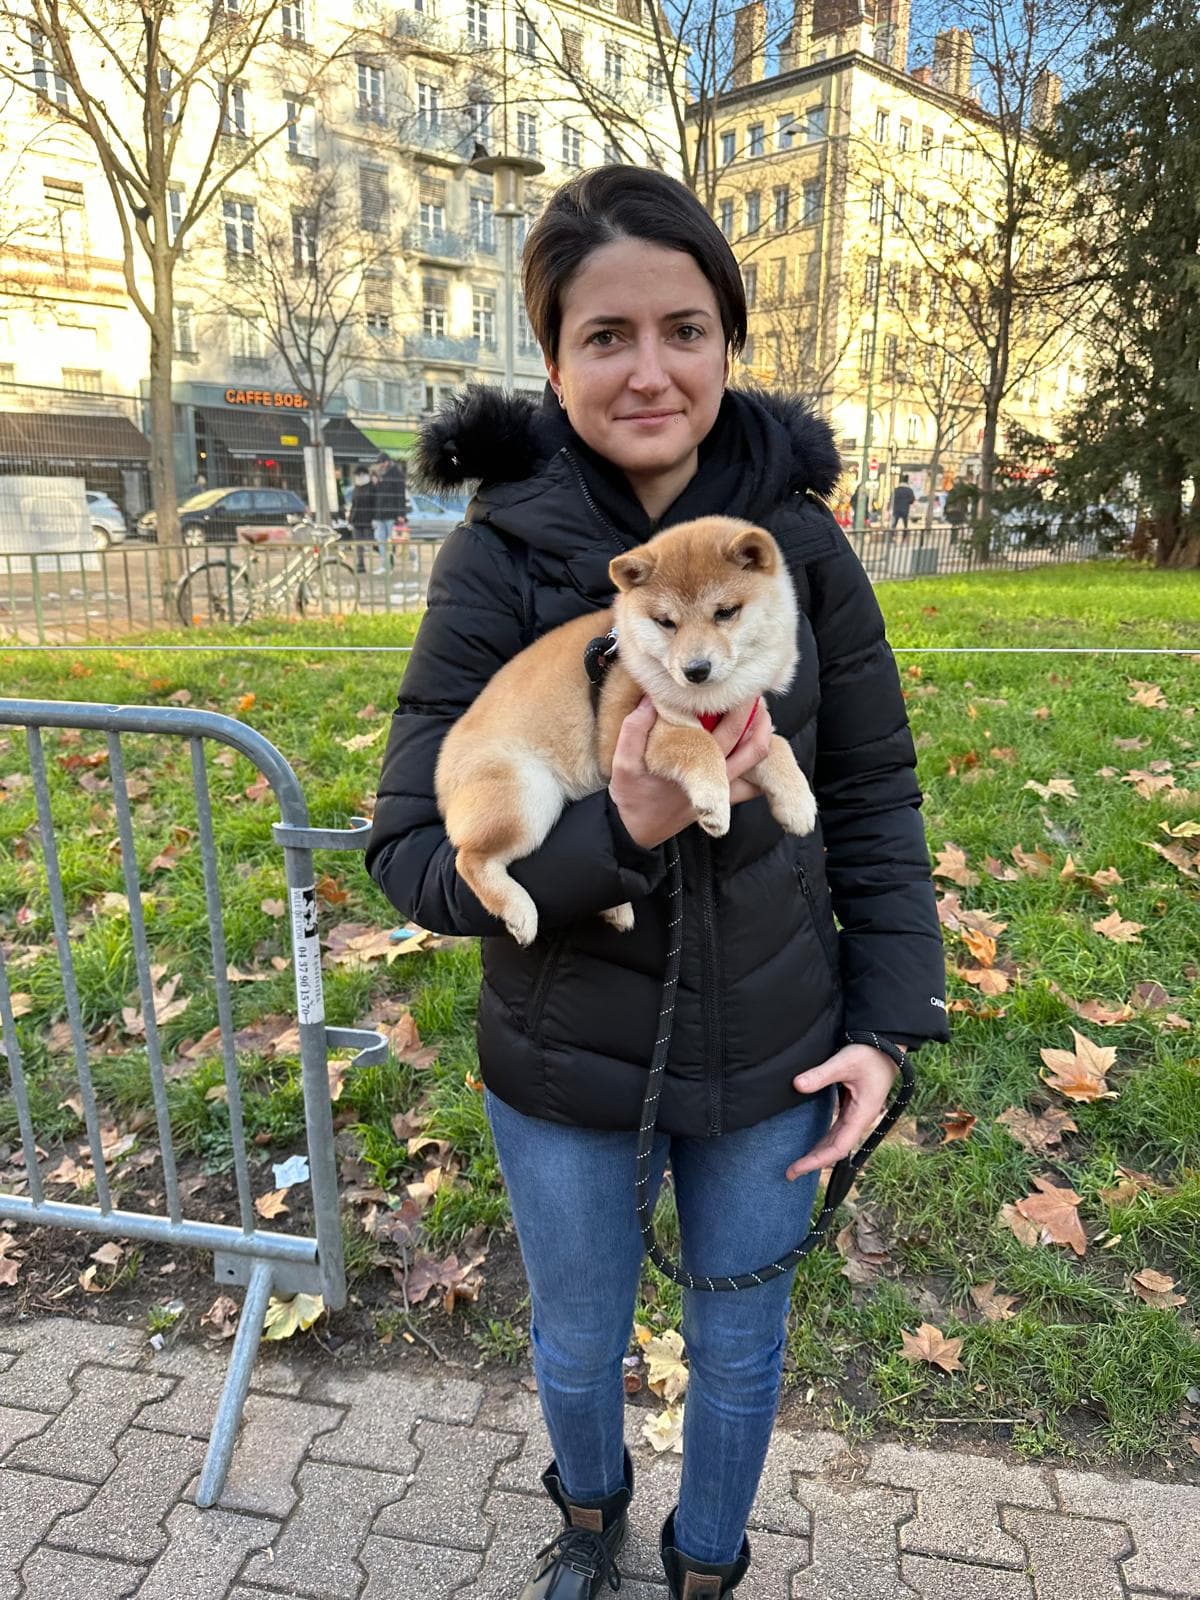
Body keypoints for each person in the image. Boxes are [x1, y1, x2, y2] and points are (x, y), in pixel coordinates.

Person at [366, 167, 947, 1600]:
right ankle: (588, 1527)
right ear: (553, 361)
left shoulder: (804, 548)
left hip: (776, 1046)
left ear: (728, 342)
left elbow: (873, 800)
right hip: (563, 1055)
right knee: (575, 1335)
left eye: (682, 327)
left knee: (743, 1339)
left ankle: (707, 1566)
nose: (648, 370)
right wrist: (615, 836)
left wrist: (887, 1026)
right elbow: (408, 854)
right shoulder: (495, 559)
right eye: (603, 336)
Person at [371, 453, 408, 574]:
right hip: (380, 514)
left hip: (391, 515)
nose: (380, 465)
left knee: (393, 542)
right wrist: (376, 484)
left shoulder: (396, 475)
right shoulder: (380, 475)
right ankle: (385, 565)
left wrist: (401, 514)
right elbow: (377, 495)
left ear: (386, 462)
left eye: (381, 462)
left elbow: (400, 495)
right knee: (382, 541)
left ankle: (412, 557)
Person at [346, 466, 376, 573]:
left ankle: (386, 560)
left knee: (372, 543)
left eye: (360, 474)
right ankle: (360, 565)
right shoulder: (356, 488)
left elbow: (375, 504)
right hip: (357, 520)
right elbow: (353, 505)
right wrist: (350, 520)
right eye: (357, 475)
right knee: (358, 545)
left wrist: (374, 518)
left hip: (368, 521)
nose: (359, 477)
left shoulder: (372, 487)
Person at [891, 473, 916, 538]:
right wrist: (906, 502)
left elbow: (892, 499)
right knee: (905, 524)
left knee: (894, 524)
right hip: (905, 509)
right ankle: (904, 537)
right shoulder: (909, 490)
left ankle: (892, 536)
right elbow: (912, 500)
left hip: (896, 509)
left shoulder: (896, 490)